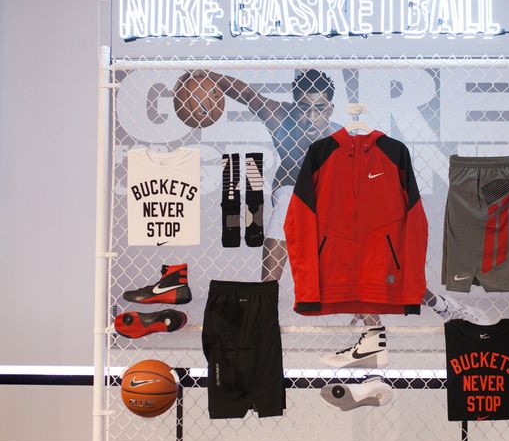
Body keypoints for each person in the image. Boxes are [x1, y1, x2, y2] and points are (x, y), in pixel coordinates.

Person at [185, 69, 485, 366]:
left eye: (319, 109)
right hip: (291, 199)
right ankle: (265, 308)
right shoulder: (279, 117)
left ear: (329, 109)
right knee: (288, 198)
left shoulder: (340, 137)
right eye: (304, 108)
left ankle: (438, 307)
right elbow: (248, 94)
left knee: (375, 264)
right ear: (295, 105)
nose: (311, 116)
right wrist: (214, 78)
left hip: (327, 213)